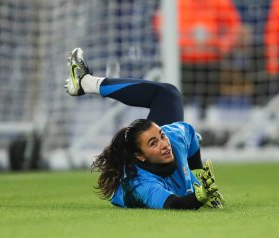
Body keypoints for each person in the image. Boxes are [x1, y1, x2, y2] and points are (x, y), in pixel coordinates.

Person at [64, 48, 225, 209]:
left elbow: (190, 136)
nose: (164, 144)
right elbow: (173, 204)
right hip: (144, 180)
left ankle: (86, 83)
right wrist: (201, 196)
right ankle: (85, 83)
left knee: (169, 94)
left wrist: (197, 177)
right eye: (153, 143)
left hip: (165, 154)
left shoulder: (173, 137)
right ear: (140, 156)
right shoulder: (140, 185)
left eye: (161, 136)